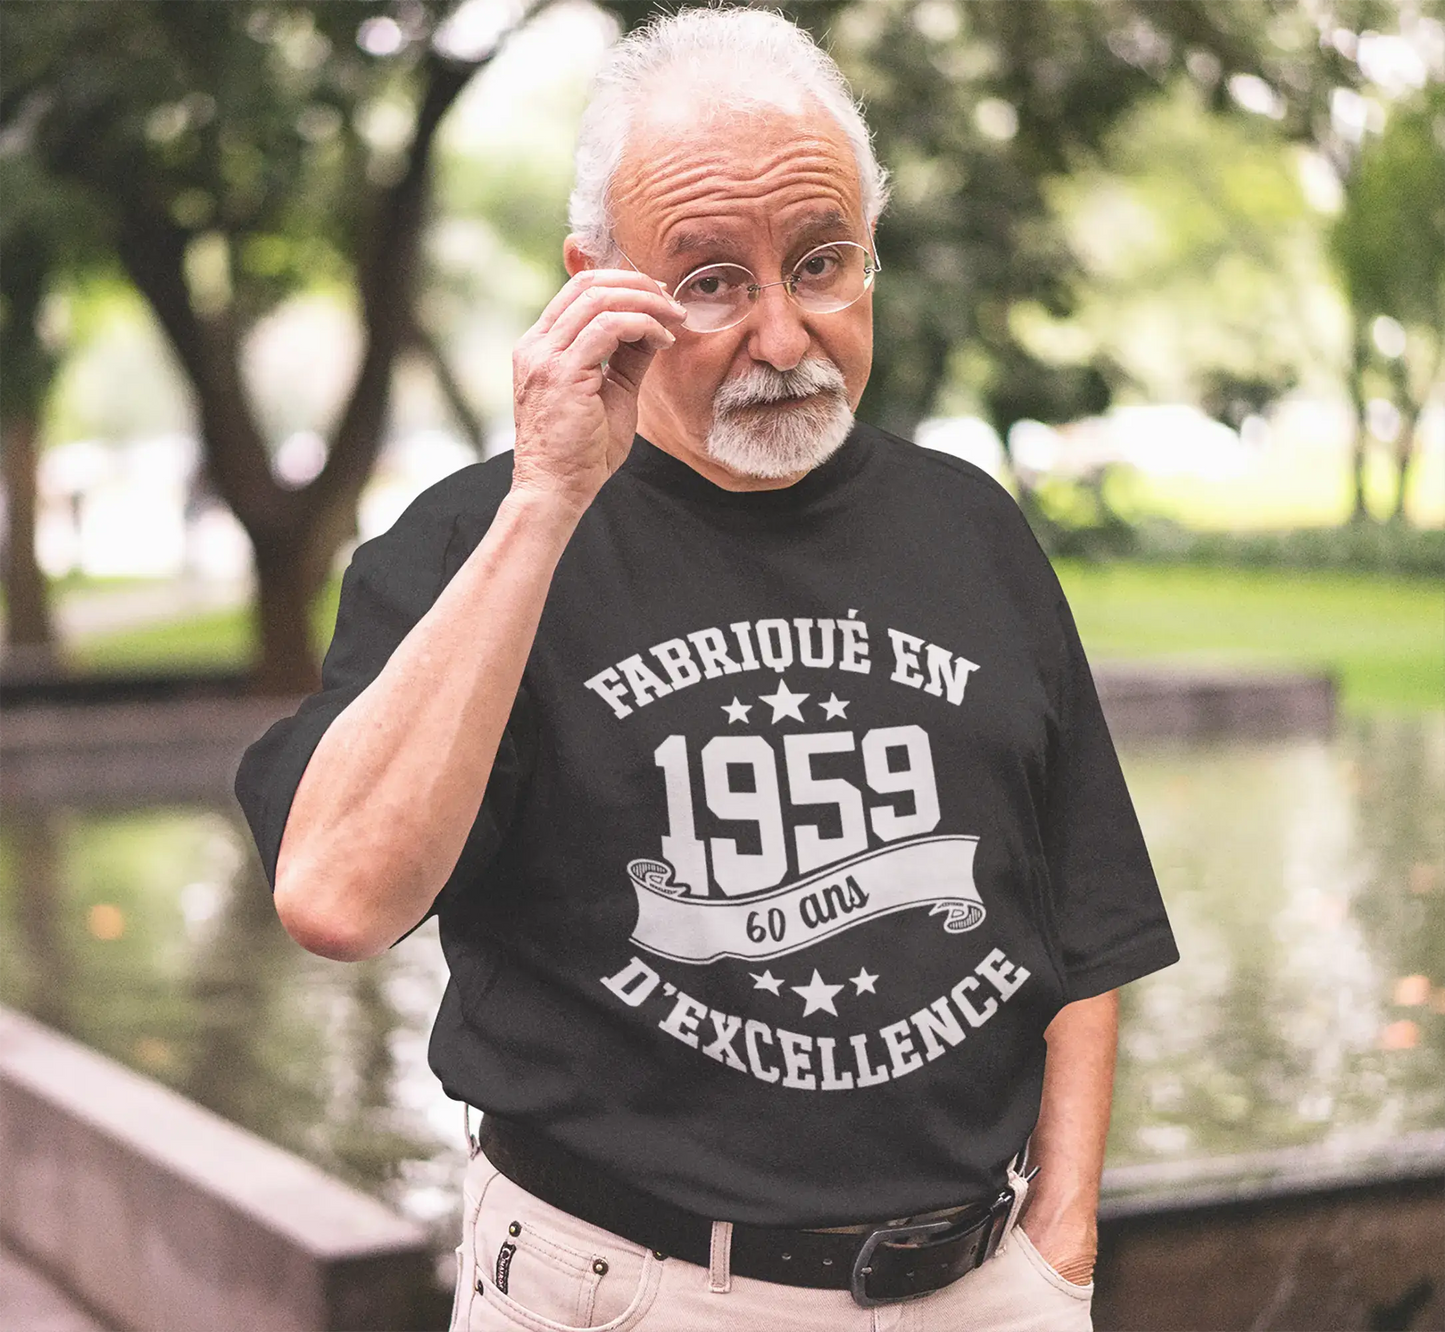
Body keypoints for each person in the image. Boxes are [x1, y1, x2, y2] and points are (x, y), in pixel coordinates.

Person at [234, 8, 1178, 1329]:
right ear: (595, 281)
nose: (786, 337)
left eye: (822, 262)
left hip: (983, 1290)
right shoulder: (474, 543)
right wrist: (551, 494)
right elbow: (337, 897)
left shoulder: (971, 529)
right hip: (630, 1293)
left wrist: (1060, 1243)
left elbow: (1078, 926)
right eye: (713, 281)